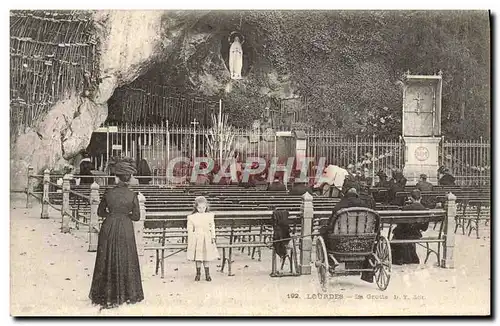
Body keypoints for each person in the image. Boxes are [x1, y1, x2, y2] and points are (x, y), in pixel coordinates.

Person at [89, 157, 144, 309]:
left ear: (117, 177)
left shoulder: (108, 193)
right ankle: (126, 293)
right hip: (126, 228)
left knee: (106, 257)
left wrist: (112, 215)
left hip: (109, 227)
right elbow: (136, 216)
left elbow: (100, 212)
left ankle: (106, 294)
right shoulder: (133, 195)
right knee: (126, 258)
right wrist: (124, 215)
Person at [391, 189, 429, 265]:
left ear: (411, 198)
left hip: (404, 234)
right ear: (420, 198)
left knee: (397, 234)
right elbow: (424, 228)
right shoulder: (424, 209)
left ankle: (399, 258)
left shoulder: (406, 208)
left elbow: (400, 224)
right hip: (416, 234)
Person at [187, 196, 220, 282]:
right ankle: (198, 274)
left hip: (207, 237)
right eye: (199, 207)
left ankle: (207, 274)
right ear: (196, 207)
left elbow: (212, 227)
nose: (202, 209)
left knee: (206, 256)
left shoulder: (209, 216)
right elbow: (190, 230)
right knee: (198, 257)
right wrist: (191, 239)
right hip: (197, 238)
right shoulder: (192, 217)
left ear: (206, 207)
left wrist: (213, 236)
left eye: (203, 207)